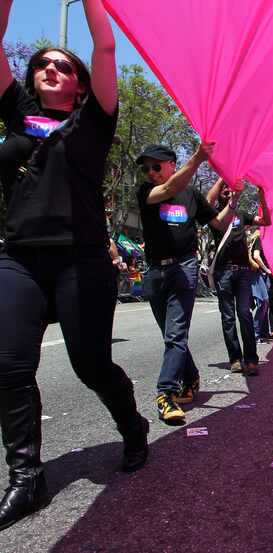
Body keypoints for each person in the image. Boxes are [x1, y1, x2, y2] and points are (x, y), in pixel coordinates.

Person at [0, 0, 149, 531]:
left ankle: (132, 427)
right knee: (10, 367)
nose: (50, 69)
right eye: (43, 63)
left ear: (81, 86)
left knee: (90, 364)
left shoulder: (95, 121)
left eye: (63, 66)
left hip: (81, 260)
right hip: (18, 257)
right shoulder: (17, 113)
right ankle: (26, 477)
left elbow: (104, 46)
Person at [136, 143, 237, 424]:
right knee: (170, 334)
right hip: (155, 272)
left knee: (175, 334)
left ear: (171, 163)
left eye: (156, 166)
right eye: (146, 168)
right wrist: (197, 159)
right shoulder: (146, 191)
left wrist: (235, 200)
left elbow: (217, 223)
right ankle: (191, 378)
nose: (151, 172)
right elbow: (166, 190)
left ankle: (166, 393)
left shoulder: (191, 195)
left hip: (184, 268)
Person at [206, 180, 271, 370]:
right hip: (222, 273)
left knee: (244, 313)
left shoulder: (242, 215)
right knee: (228, 316)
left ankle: (251, 359)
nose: (226, 189)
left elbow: (267, 221)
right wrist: (221, 177)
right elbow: (208, 200)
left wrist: (262, 197)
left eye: (229, 186)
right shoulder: (214, 216)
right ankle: (235, 359)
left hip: (243, 273)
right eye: (223, 187)